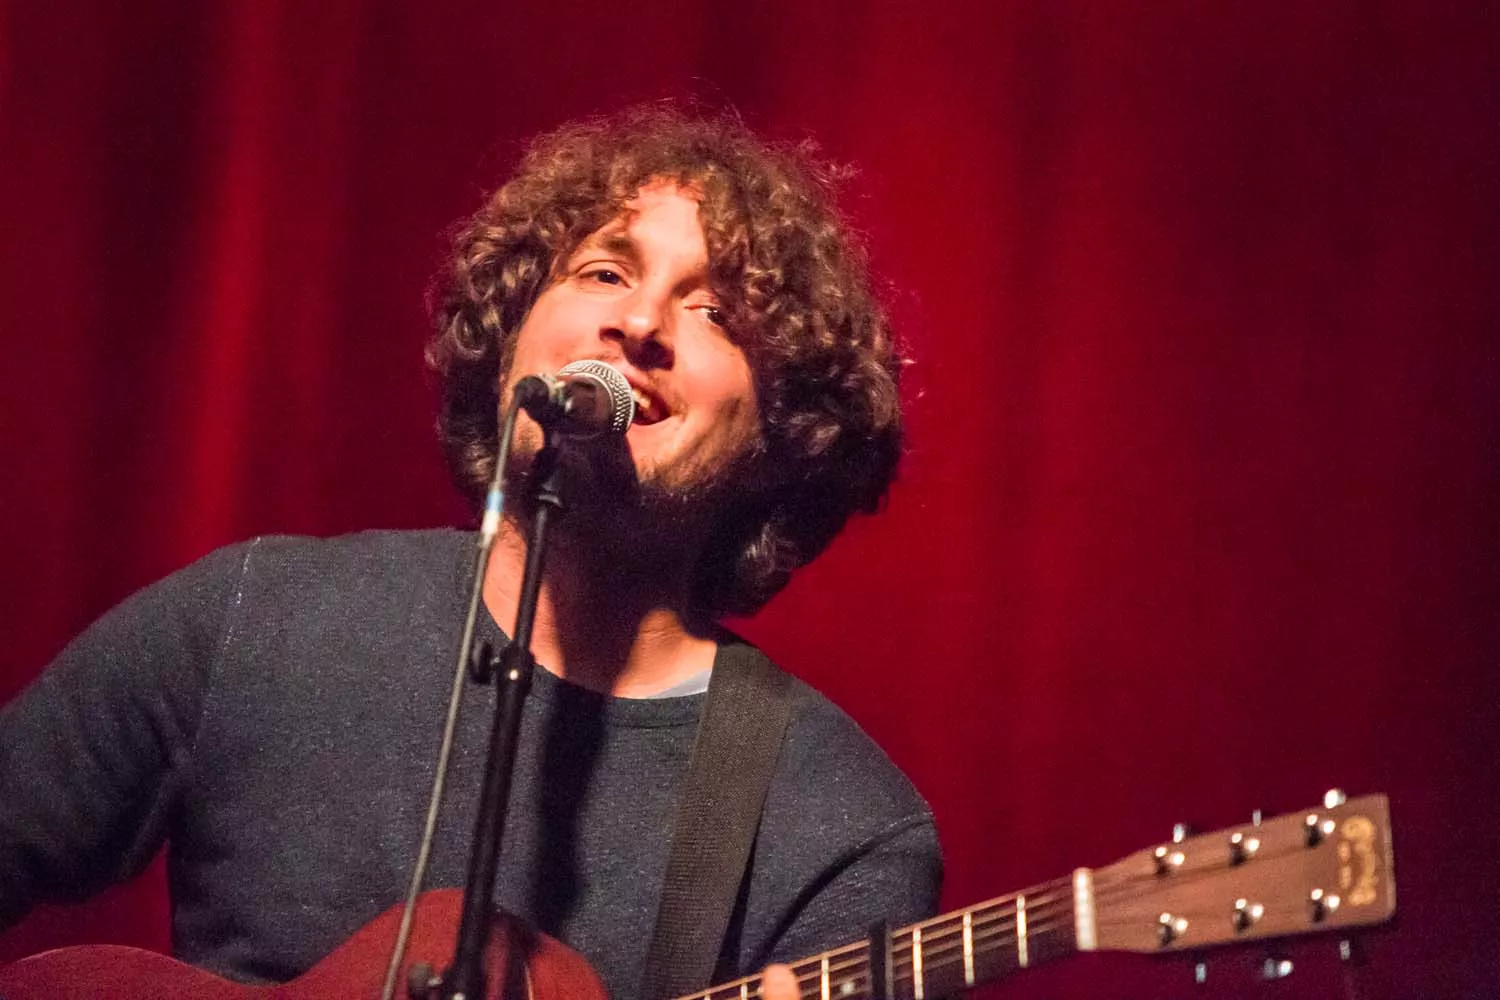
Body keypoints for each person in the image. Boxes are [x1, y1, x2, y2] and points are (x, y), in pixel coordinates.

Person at [0, 108, 941, 1000]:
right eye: (604, 273)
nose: (641, 323)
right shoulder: (258, 619)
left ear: (785, 434)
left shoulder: (837, 825)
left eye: (717, 313)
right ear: (510, 338)